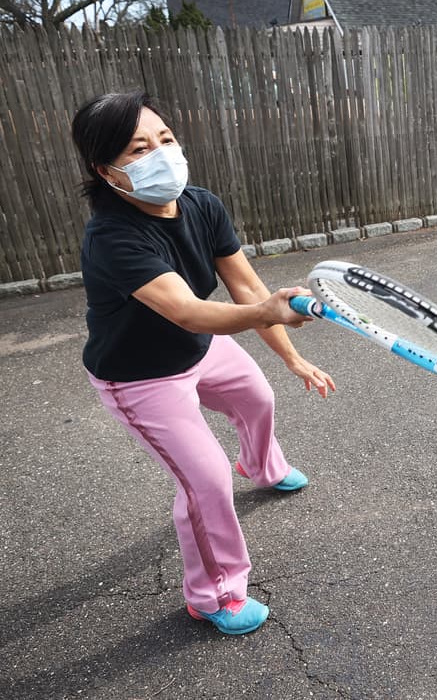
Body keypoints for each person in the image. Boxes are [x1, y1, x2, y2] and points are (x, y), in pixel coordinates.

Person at [70, 91, 336, 636]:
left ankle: (262, 467)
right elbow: (189, 312)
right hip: (140, 376)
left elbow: (246, 288)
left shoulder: (202, 204)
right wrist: (268, 311)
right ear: (106, 170)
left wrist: (292, 357)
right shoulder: (112, 236)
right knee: (205, 483)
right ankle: (212, 595)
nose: (160, 153)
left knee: (256, 398)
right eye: (138, 149)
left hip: (200, 348)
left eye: (164, 139)